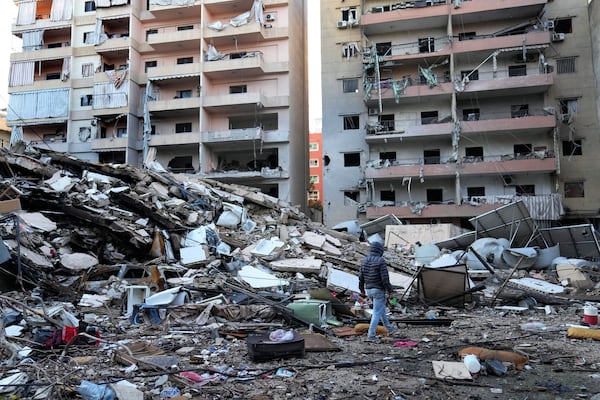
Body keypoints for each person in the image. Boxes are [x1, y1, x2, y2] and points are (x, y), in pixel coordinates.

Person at [358, 241, 397, 342]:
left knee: (381, 309)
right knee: (376, 313)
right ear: (380, 251)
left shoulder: (364, 260)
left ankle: (389, 328)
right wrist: (390, 291)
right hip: (378, 290)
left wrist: (362, 290)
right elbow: (385, 279)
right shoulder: (380, 261)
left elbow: (361, 278)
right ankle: (371, 335)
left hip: (369, 290)